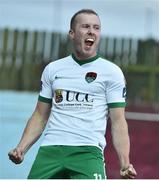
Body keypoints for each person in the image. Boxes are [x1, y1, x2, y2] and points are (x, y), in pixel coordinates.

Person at [8, 9, 137, 179]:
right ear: (72, 33)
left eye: (96, 27)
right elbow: (40, 115)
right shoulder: (53, 69)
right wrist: (21, 148)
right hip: (50, 150)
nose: (91, 31)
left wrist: (125, 163)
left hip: (88, 152)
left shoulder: (111, 72)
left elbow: (118, 121)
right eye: (85, 26)